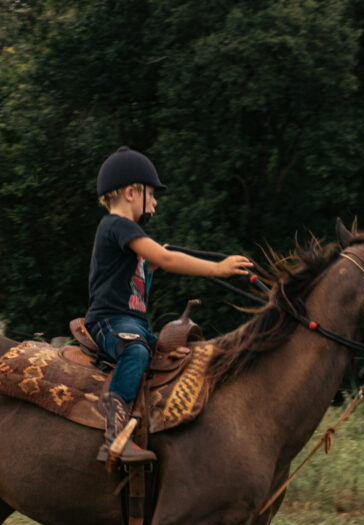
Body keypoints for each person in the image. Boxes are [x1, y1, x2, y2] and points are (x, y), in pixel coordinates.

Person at [86, 146, 252, 464]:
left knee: (175, 353)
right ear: (132, 192)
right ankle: (115, 432)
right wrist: (217, 268)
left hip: (133, 322)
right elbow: (165, 256)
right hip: (109, 321)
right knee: (135, 351)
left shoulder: (125, 235)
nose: (156, 202)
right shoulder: (117, 225)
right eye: (152, 194)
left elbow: (138, 271)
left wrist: (149, 267)